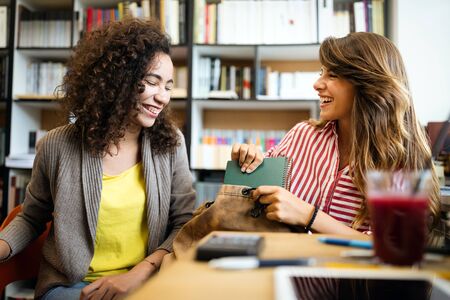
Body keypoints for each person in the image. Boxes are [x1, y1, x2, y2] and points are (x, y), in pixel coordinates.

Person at [0, 18, 195, 299]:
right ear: (118, 81)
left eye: (168, 86)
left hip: (146, 280)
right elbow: (31, 218)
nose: (162, 97)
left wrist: (137, 276)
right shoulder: (56, 145)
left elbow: (184, 225)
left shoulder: (171, 144)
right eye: (152, 83)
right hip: (70, 285)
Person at [232, 32, 441, 236]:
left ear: (367, 84)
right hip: (285, 265)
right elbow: (257, 195)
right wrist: (248, 159)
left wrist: (309, 216)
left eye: (332, 75)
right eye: (321, 72)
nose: (317, 84)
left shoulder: (400, 159)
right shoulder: (302, 135)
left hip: (353, 271)